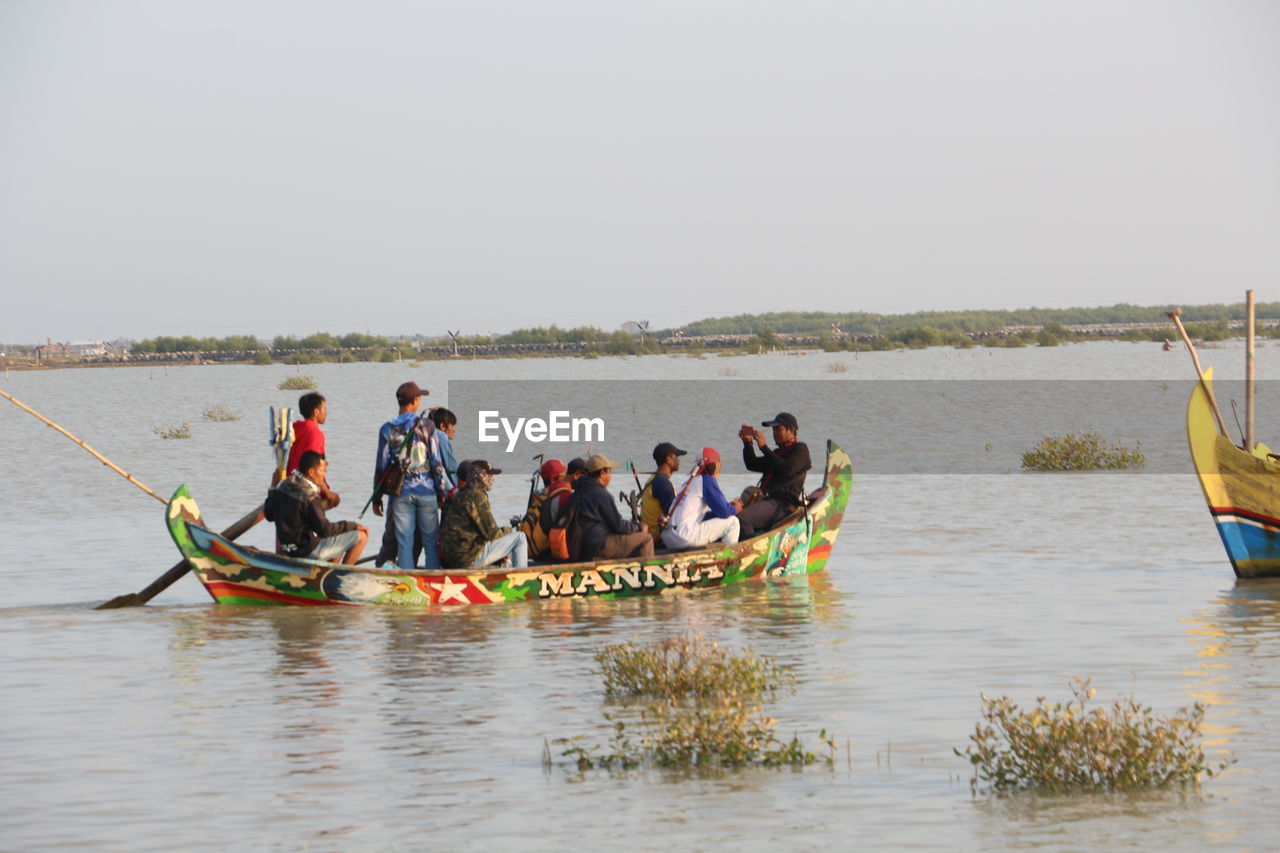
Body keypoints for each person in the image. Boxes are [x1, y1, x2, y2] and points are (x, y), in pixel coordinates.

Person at [372, 381, 444, 571]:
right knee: (431, 541)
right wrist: (442, 492)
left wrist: (376, 497)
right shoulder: (427, 425)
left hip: (400, 493)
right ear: (414, 400)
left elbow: (381, 465)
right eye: (419, 398)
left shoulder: (387, 429)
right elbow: (436, 462)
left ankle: (408, 582)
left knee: (405, 541)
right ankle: (433, 579)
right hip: (426, 490)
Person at [265, 450, 368, 564]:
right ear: (311, 472)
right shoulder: (310, 496)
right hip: (308, 551)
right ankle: (341, 576)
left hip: (289, 549)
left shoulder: (283, 486)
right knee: (362, 536)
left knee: (338, 540)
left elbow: (269, 515)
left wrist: (272, 489)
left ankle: (327, 573)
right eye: (322, 470)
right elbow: (325, 530)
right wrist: (352, 526)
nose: (324, 474)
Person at [440, 460, 528, 569]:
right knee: (520, 537)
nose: (493, 479)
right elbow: (492, 533)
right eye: (490, 475)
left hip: (453, 558)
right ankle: (522, 578)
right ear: (480, 477)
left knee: (503, 541)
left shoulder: (460, 494)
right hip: (467, 558)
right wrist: (509, 530)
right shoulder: (477, 496)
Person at [737, 412, 812, 538]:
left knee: (742, 518)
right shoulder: (777, 453)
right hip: (769, 501)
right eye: (773, 429)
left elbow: (787, 469)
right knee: (731, 518)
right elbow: (752, 464)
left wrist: (764, 447)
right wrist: (748, 444)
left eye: (778, 429)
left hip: (784, 504)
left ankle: (753, 551)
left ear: (791, 430)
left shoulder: (800, 449)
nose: (774, 432)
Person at [568, 454, 654, 560]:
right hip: (600, 545)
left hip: (584, 547)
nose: (611, 476)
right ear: (602, 472)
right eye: (610, 471)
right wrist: (640, 527)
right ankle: (646, 574)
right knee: (646, 538)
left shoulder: (579, 490)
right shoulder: (601, 494)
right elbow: (618, 525)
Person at [662, 448, 741, 550]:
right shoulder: (706, 480)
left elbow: (701, 516)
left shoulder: (689, 482)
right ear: (714, 466)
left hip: (670, 537)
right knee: (733, 522)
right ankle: (730, 557)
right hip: (684, 536)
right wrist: (735, 509)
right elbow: (724, 512)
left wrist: (728, 507)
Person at [284, 392, 339, 506]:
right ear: (316, 412)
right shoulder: (315, 433)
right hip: (305, 488)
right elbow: (313, 469)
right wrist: (326, 492)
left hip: (289, 484)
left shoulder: (296, 428)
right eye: (324, 409)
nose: (326, 413)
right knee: (334, 499)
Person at [518, 459, 573, 561]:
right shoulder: (560, 497)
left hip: (539, 554)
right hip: (552, 555)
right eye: (564, 475)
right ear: (553, 480)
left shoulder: (539, 497)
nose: (568, 477)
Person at [640, 442, 685, 544]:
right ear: (668, 460)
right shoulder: (662, 483)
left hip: (649, 534)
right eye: (676, 456)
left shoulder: (652, 479)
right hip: (658, 538)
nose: (678, 460)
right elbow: (674, 515)